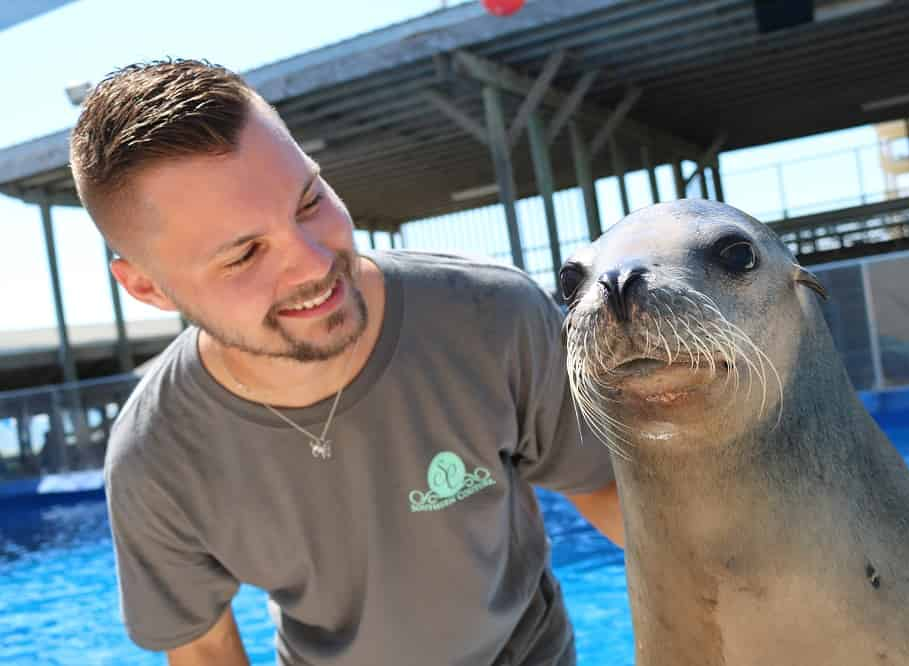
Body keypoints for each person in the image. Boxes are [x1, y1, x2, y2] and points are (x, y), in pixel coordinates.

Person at [70, 59, 623, 666]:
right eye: (245, 253)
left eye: (308, 200)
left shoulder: (491, 314)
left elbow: (603, 486)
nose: (312, 263)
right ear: (147, 287)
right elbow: (202, 648)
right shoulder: (156, 457)